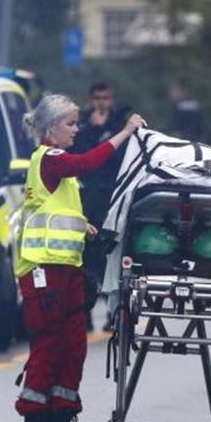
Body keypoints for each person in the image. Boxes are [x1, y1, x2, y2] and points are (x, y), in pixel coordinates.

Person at [16, 93, 146, 422]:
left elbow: (54, 212)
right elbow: (88, 162)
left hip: (66, 270)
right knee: (48, 348)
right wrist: (125, 133)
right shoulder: (51, 159)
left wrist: (84, 226)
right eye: (71, 124)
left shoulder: (58, 167)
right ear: (51, 127)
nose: (76, 130)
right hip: (44, 272)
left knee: (73, 347)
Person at [73, 81, 134, 331]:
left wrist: (106, 130)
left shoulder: (120, 124)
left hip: (112, 198)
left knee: (112, 258)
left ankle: (113, 313)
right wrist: (94, 130)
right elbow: (78, 156)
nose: (101, 103)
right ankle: (84, 314)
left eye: (105, 98)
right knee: (84, 258)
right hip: (86, 198)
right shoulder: (80, 124)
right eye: (97, 98)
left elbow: (122, 158)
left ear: (112, 99)